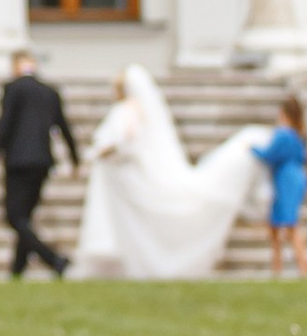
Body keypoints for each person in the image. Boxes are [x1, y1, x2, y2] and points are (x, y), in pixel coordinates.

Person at [74, 65, 269, 278]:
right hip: (126, 175)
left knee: (137, 224)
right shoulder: (140, 110)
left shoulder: (128, 109)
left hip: (126, 176)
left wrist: (100, 152)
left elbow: (123, 140)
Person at [0, 48, 79, 277]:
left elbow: (3, 127)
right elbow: (64, 127)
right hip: (43, 161)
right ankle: (17, 270)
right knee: (25, 216)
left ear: (15, 66)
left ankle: (54, 259)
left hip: (18, 161)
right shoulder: (50, 91)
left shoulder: (12, 89)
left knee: (14, 216)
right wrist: (75, 159)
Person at [259, 95, 307, 277]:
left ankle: (304, 269)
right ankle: (278, 269)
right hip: (295, 177)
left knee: (290, 225)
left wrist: (251, 148)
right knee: (275, 225)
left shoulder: (283, 134)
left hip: (287, 180)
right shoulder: (297, 135)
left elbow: (268, 154)